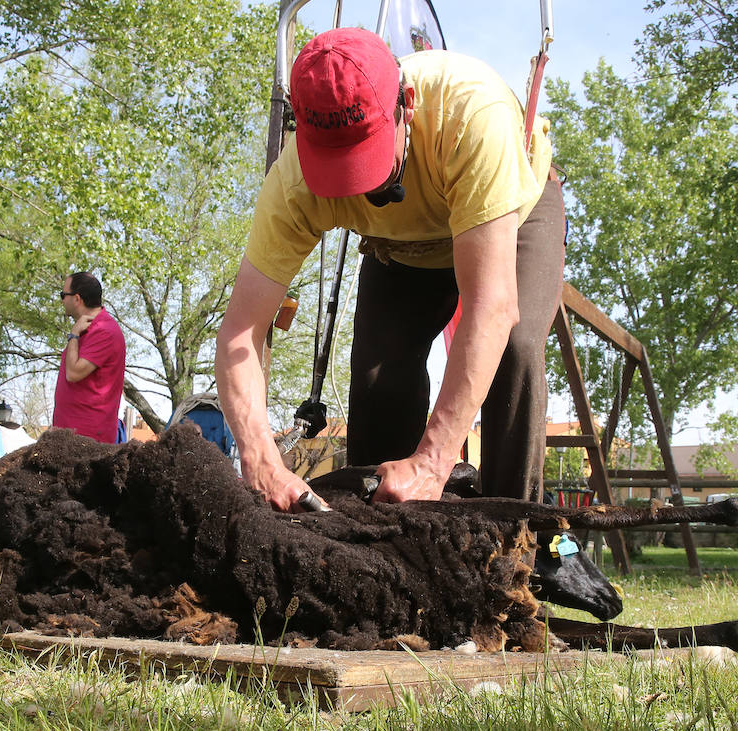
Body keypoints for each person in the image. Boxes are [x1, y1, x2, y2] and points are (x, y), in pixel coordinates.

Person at [216, 28, 565, 512]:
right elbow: (240, 331)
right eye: (334, 170)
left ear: (408, 105)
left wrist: (433, 460)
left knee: (516, 345)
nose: (354, 189)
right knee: (379, 374)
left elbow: (492, 307)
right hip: (400, 245)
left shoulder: (471, 115)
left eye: (365, 158)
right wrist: (259, 458)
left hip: (510, 213)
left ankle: (512, 538)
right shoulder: (292, 180)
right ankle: (377, 539)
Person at [52, 272, 126, 443]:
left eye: (63, 295)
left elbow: (73, 374)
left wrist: (73, 336)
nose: (62, 300)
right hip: (72, 438)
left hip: (87, 442)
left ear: (77, 299)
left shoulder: (104, 331)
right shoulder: (90, 328)